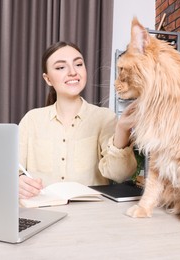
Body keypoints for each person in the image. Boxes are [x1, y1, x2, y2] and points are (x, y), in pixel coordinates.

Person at [18, 41, 137, 199]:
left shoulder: (104, 117)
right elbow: (13, 171)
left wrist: (122, 129)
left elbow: (120, 175)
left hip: (90, 215)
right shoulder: (31, 120)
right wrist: (19, 181)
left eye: (79, 64)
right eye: (61, 67)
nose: (73, 72)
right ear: (47, 79)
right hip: (42, 211)